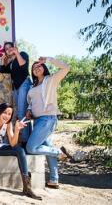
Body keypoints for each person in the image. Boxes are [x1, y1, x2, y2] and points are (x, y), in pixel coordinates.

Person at [25, 57, 70, 189]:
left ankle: (58, 152)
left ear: (44, 68)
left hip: (47, 119)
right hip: (38, 120)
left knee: (31, 148)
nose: (36, 68)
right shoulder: (33, 86)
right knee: (47, 146)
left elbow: (66, 68)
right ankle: (54, 179)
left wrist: (48, 59)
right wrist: (29, 110)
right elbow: (31, 102)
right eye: (34, 67)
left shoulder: (50, 80)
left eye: (39, 66)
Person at [0, 41, 32, 144]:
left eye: (10, 47)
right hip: (16, 88)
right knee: (20, 113)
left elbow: (23, 64)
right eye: (6, 48)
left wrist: (17, 52)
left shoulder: (22, 54)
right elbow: (4, 71)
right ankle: (28, 139)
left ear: (14, 47)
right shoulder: (11, 63)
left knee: (22, 113)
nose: (8, 49)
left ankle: (25, 141)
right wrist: (2, 60)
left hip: (24, 84)